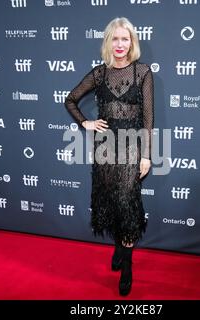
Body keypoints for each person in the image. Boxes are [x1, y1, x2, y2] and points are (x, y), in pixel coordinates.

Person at [64, 17, 154, 296]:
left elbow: (149, 118)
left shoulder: (143, 73)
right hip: (105, 149)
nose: (120, 44)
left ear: (132, 42)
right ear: (108, 42)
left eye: (124, 39)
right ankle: (118, 246)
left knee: (127, 205)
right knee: (112, 202)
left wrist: (147, 156)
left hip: (131, 148)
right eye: (115, 39)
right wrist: (86, 123)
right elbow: (70, 99)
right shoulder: (99, 74)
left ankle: (127, 268)